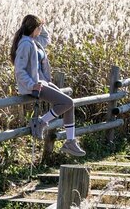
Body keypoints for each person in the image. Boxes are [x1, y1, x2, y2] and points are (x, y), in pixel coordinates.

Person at [11, 15, 85, 157]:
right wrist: (32, 85)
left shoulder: (35, 41)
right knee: (67, 102)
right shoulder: (25, 44)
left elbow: (46, 37)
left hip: (43, 82)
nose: (41, 30)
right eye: (39, 27)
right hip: (34, 85)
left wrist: (40, 22)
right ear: (34, 29)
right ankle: (40, 122)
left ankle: (70, 141)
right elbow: (19, 70)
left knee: (70, 104)